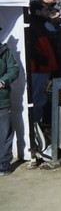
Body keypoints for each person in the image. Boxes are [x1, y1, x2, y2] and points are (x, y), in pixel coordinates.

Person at [27, 0, 58, 126]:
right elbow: (31, 47)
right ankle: (34, 127)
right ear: (38, 11)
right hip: (38, 68)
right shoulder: (33, 24)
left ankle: (38, 125)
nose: (48, 12)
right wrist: (42, 59)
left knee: (41, 98)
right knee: (37, 98)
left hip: (45, 66)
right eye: (45, 10)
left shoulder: (42, 24)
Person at [0, 40, 21, 176]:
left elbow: (14, 69)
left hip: (2, 100)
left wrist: (3, 80)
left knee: (4, 134)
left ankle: (4, 164)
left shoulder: (4, 51)